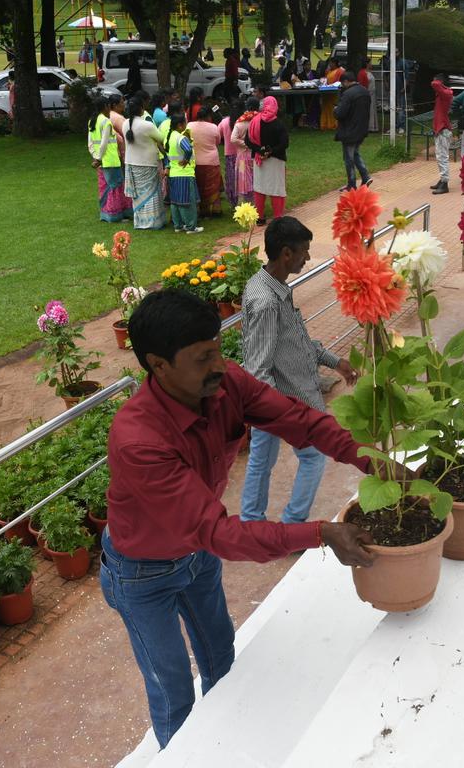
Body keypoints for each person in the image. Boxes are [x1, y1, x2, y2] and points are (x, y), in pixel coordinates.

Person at [101, 289, 380, 748]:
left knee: (221, 659)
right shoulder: (139, 440)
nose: (219, 364)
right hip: (142, 575)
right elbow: (218, 532)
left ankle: (225, 751)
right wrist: (321, 533)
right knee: (172, 691)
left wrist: (371, 459)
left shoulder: (223, 382)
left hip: (195, 557)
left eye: (218, 348)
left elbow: (300, 421)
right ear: (159, 365)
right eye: (203, 357)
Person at [240, 216, 360, 527]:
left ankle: (252, 521)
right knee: (313, 456)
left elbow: (296, 342)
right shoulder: (266, 301)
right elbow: (257, 368)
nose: (308, 257)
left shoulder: (271, 284)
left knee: (260, 461)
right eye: (304, 251)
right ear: (286, 254)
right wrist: (282, 413)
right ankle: (292, 524)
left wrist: (335, 361)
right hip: (283, 401)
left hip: (274, 402)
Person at [124, 95, 168, 230]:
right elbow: (162, 138)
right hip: (147, 163)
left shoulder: (125, 123)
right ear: (142, 108)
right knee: (151, 193)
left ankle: (140, 222)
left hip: (131, 163)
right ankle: (153, 222)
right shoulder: (147, 125)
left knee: (138, 195)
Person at [247, 95, 289, 225]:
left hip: (259, 159)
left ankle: (260, 217)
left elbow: (247, 140)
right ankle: (277, 217)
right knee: (276, 188)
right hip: (275, 160)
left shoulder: (255, 121)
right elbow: (284, 143)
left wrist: (260, 150)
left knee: (260, 188)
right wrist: (270, 152)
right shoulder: (278, 124)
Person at [90, 94, 130, 223]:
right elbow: (104, 142)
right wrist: (99, 158)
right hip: (110, 160)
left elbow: (91, 142)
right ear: (106, 107)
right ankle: (115, 215)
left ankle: (106, 213)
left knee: (105, 187)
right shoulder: (105, 121)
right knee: (115, 187)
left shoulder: (92, 121)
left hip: (101, 161)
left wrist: (95, 157)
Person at [334, 72, 373, 191]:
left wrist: (335, 110)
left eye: (342, 83)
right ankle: (365, 176)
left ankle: (351, 184)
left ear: (346, 81)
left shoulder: (347, 94)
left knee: (348, 158)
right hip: (362, 128)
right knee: (355, 153)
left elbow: (340, 113)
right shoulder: (365, 91)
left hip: (349, 130)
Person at [165, 114, 204, 233]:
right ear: (180, 125)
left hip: (174, 174)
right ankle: (191, 226)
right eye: (185, 122)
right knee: (187, 201)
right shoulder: (181, 138)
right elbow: (187, 149)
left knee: (175, 202)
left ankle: (178, 226)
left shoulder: (170, 136)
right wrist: (186, 159)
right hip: (185, 173)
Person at [190, 105, 223, 217]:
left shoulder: (189, 125)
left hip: (195, 161)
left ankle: (199, 209)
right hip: (211, 162)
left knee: (198, 185)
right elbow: (217, 141)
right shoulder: (213, 127)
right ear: (209, 116)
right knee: (213, 186)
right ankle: (215, 210)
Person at [430, 73, 454, 195]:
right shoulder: (443, 94)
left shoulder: (446, 94)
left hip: (443, 129)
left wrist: (438, 81)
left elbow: (435, 84)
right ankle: (442, 179)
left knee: (442, 157)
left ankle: (445, 183)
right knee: (440, 156)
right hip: (441, 128)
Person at [217, 100, 243, 209]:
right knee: (241, 178)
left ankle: (233, 202)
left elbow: (217, 136)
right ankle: (243, 199)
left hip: (229, 155)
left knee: (231, 179)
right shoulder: (243, 121)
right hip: (242, 155)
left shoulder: (224, 122)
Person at [232, 97, 257, 204]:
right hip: (255, 155)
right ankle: (256, 205)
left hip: (242, 156)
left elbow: (233, 139)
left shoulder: (240, 122)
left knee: (242, 180)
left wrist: (244, 144)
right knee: (255, 179)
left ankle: (243, 206)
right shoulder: (258, 121)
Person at [319, 58, 344, 130]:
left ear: (334, 63)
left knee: (332, 109)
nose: (329, 65)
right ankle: (325, 124)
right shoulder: (329, 71)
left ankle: (333, 125)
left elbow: (339, 82)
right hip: (326, 93)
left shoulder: (340, 71)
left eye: (331, 63)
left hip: (334, 93)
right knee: (325, 108)